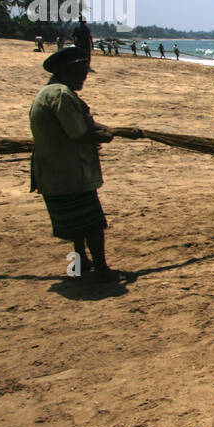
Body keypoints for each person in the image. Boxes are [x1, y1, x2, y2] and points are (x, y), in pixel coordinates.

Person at [29, 47, 139, 284]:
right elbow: (79, 133)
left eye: (85, 73)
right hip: (68, 171)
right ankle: (101, 269)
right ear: (64, 71)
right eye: (78, 72)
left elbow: (85, 123)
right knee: (92, 223)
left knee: (76, 223)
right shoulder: (61, 95)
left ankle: (80, 263)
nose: (83, 78)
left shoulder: (51, 92)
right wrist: (105, 137)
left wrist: (116, 130)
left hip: (55, 171)